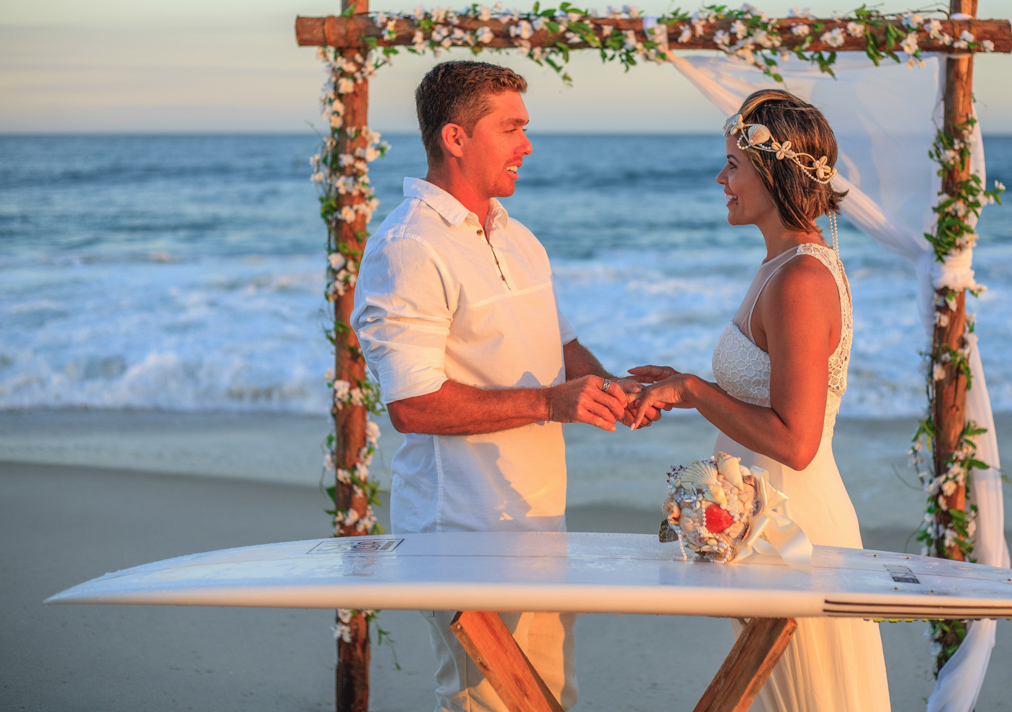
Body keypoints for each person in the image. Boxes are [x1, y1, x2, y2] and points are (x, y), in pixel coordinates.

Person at [351, 60, 651, 712]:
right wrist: (550, 403)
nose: (527, 144)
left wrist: (618, 389)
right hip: (460, 532)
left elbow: (561, 348)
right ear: (456, 138)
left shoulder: (519, 239)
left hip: (539, 523)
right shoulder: (408, 246)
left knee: (547, 698)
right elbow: (412, 403)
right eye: (511, 127)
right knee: (485, 702)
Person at [630, 89, 891, 711]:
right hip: (762, 526)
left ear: (772, 175)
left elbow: (796, 443)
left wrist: (693, 387)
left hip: (794, 530)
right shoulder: (781, 266)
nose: (721, 178)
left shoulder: (801, 278)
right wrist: (692, 391)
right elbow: (767, 399)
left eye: (732, 165)